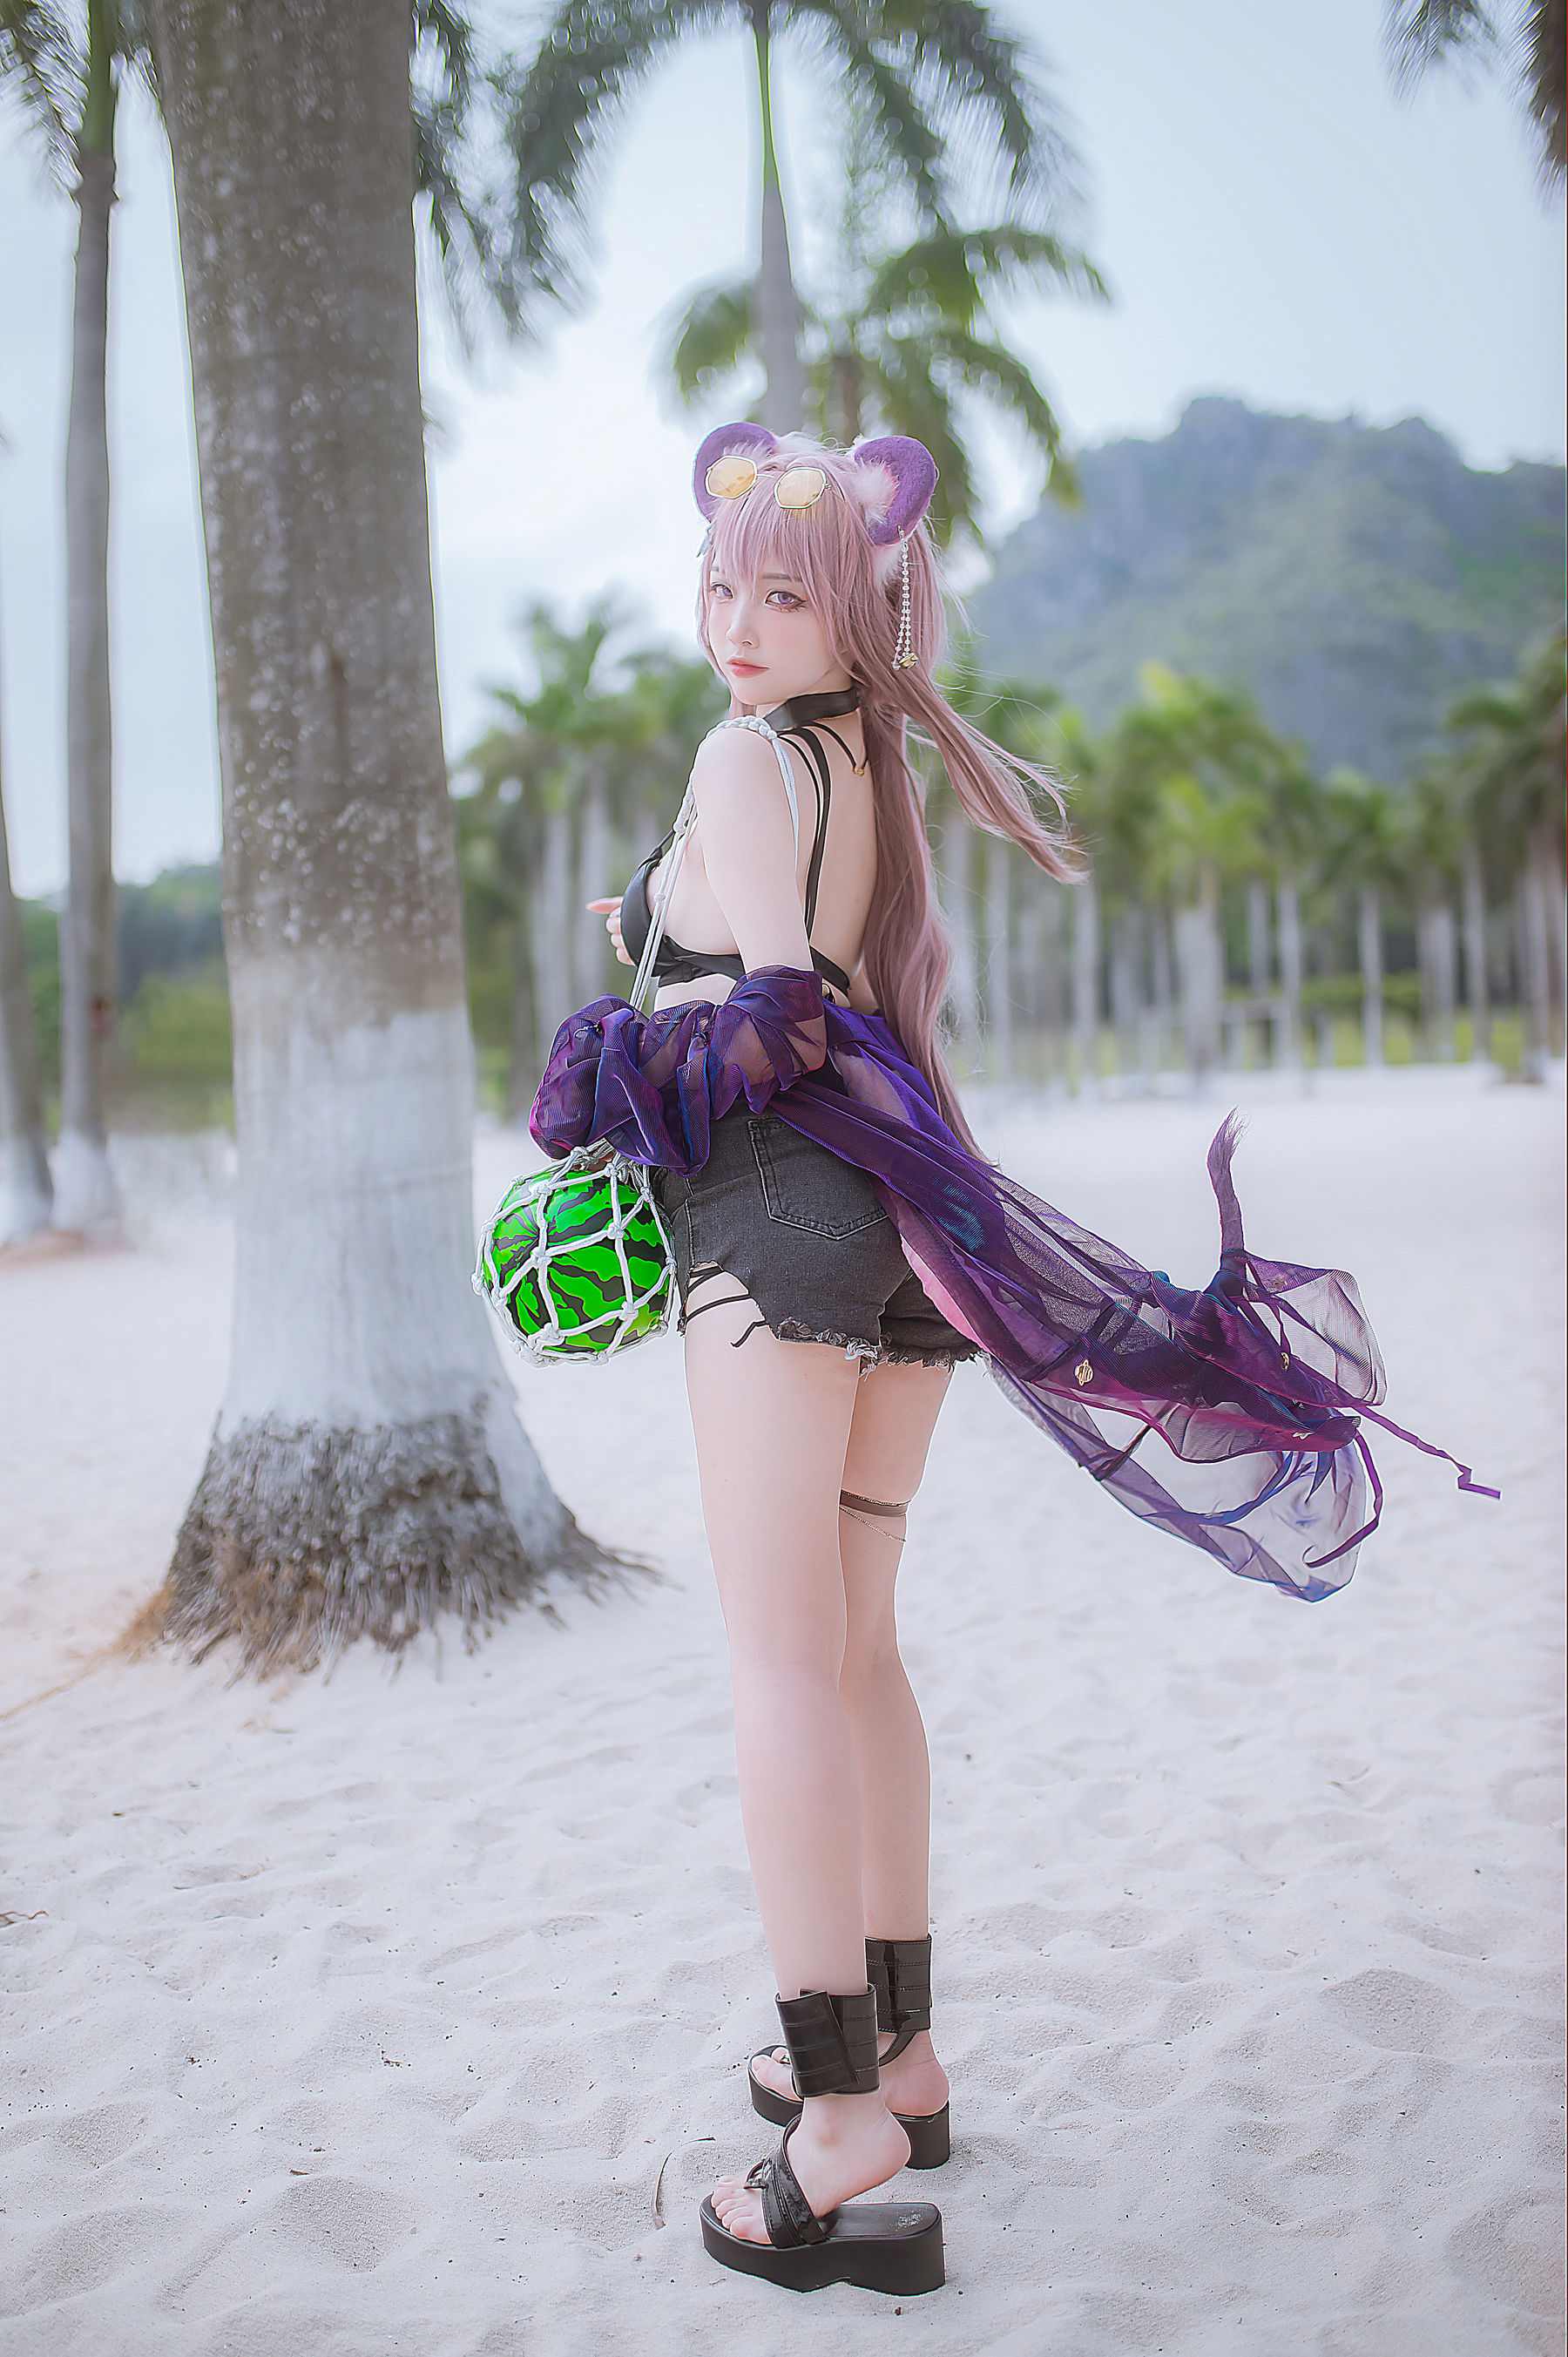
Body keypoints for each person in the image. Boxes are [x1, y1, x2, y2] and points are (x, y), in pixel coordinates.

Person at [529, 424, 1484, 2296]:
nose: (736, 621)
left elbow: (782, 1018)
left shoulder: (740, 752)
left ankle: (833, 2126)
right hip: (895, 1240)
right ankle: (902, 2058)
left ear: (859, 610)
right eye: (721, 584)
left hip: (779, 1235)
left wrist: (627, 1035)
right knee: (858, 1652)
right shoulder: (860, 765)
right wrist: (661, 931)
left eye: (781, 592)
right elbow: (815, 970)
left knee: (780, 1666)